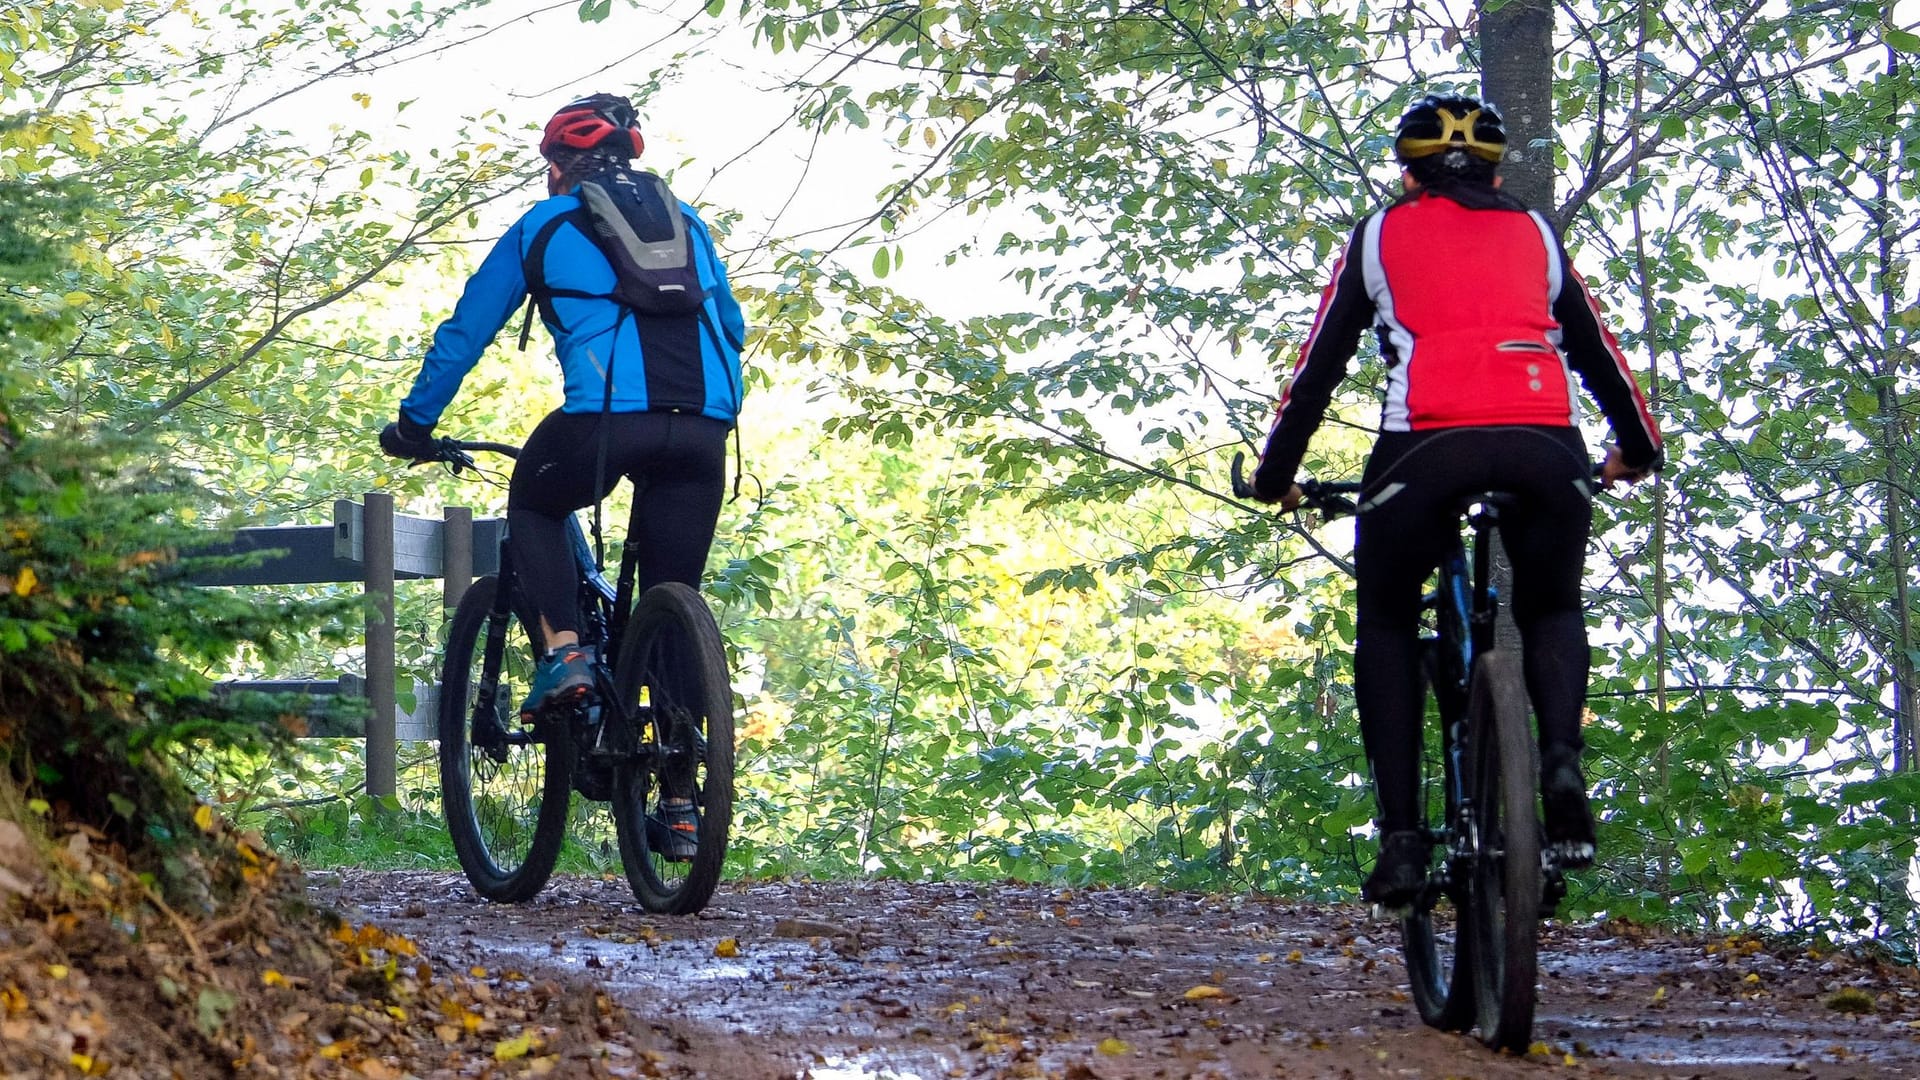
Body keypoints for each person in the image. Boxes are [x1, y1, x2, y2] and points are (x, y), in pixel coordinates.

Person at [1248, 93, 1662, 910]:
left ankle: (1402, 839)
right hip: (1547, 445)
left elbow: (1316, 372)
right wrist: (1637, 451)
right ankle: (1559, 761)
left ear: (1409, 175)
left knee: (1389, 622)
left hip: (1426, 447)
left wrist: (1274, 478)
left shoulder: (1379, 235)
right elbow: (1597, 352)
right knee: (1550, 608)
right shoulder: (1536, 233)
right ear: (1498, 171)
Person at [379, 93, 746, 848]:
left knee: (537, 501)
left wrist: (415, 425)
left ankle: (566, 655)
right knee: (672, 601)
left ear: (558, 169)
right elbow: (733, 327)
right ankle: (679, 807)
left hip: (604, 425)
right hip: (706, 428)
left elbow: (466, 329)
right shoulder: (691, 226)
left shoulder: (544, 224)